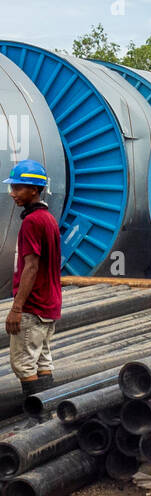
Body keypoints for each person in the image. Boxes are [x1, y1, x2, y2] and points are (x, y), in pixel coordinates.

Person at [3, 160, 62, 402]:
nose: (13, 193)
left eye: (18, 188)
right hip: (49, 306)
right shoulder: (48, 219)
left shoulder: (31, 222)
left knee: (23, 365)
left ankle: (39, 419)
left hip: (33, 307)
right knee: (42, 360)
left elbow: (31, 267)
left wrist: (16, 308)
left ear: (35, 190)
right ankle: (49, 414)